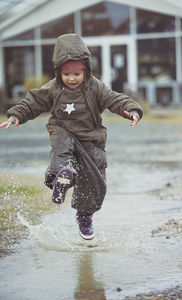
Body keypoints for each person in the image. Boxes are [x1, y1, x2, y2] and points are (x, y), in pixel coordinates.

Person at [0, 33, 143, 240]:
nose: (72, 79)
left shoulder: (95, 87)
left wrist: (131, 109)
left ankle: (84, 216)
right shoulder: (54, 87)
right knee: (62, 149)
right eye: (67, 75)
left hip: (91, 139)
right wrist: (15, 115)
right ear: (59, 72)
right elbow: (32, 102)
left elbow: (114, 99)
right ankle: (64, 173)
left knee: (95, 181)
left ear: (86, 70)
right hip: (63, 130)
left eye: (77, 74)